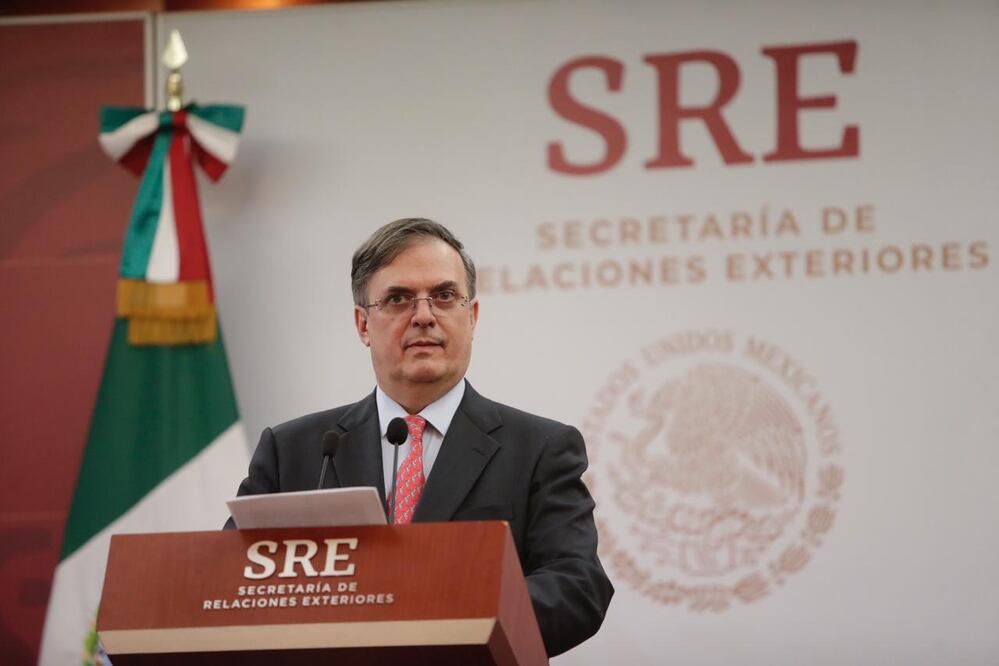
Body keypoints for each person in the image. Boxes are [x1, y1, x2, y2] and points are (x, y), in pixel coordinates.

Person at [227, 218, 613, 656]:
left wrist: (448, 618)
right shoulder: (293, 450)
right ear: (363, 325)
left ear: (472, 316)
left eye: (445, 296)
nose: (425, 316)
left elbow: (578, 586)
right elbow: (232, 582)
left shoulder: (540, 448)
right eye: (398, 299)